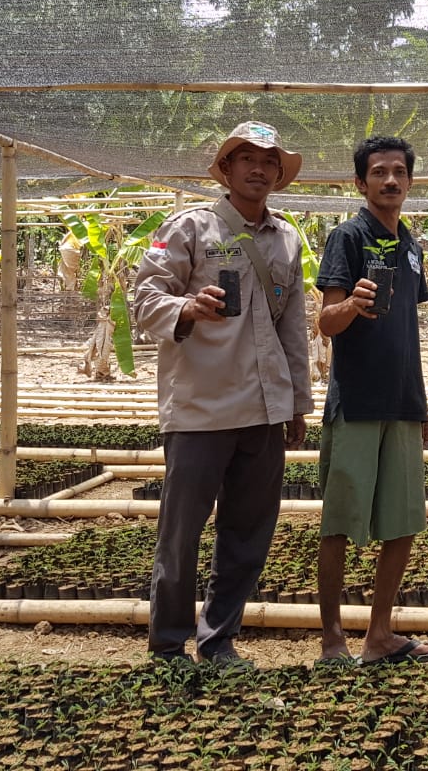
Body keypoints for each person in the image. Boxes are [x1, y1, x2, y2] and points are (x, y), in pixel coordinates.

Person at [133, 120, 313, 669]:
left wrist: (297, 404)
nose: (259, 169)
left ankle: (219, 640)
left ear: (278, 174)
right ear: (228, 169)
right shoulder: (189, 228)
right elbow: (143, 299)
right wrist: (185, 308)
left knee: (248, 530)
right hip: (201, 409)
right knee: (181, 533)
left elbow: (293, 325)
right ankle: (168, 644)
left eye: (269, 162)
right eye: (247, 159)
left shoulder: (285, 237)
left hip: (263, 412)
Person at [315, 135, 428, 666]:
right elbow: (325, 321)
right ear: (360, 182)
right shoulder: (348, 237)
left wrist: (422, 404)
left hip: (402, 402)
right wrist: (352, 303)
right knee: (340, 522)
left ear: (410, 181)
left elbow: (407, 330)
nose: (390, 180)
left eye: (398, 172)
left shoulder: (410, 244)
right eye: (378, 172)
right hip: (358, 403)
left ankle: (379, 635)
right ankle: (331, 640)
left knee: (403, 520)